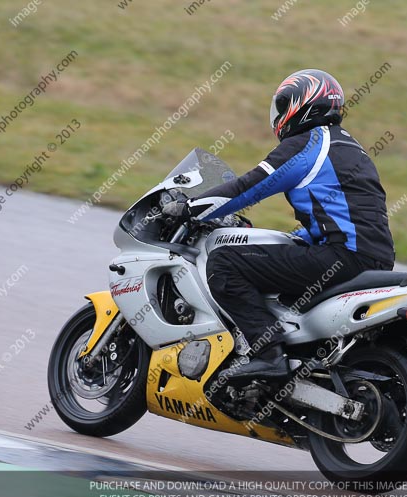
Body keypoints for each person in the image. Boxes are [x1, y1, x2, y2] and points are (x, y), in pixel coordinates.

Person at [163, 69, 395, 383]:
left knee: (225, 263)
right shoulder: (351, 147)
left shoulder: (308, 143)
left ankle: (267, 354)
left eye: (283, 104)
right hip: (376, 259)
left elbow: (248, 187)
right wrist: (295, 237)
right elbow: (345, 215)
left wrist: (188, 207)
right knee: (280, 258)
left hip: (343, 256)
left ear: (300, 104)